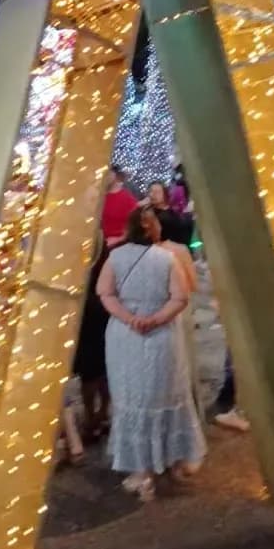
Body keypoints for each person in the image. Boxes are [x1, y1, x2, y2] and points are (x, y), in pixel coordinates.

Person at [97, 205, 205, 501]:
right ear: (151, 227)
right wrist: (155, 319)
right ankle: (174, 458)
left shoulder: (116, 257)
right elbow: (180, 297)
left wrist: (129, 317)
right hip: (161, 336)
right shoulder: (167, 258)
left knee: (131, 397)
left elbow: (104, 292)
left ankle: (140, 472)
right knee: (165, 394)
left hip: (125, 336)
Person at [72, 232, 110, 441]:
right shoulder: (99, 238)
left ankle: (90, 416)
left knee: (89, 371)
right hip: (103, 305)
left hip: (85, 307)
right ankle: (102, 413)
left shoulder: (79, 231)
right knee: (103, 367)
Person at [101, 166, 138, 248]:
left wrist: (121, 238)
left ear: (115, 175)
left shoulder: (128, 199)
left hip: (117, 246)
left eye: (108, 173)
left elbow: (136, 225)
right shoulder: (97, 196)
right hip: (98, 244)